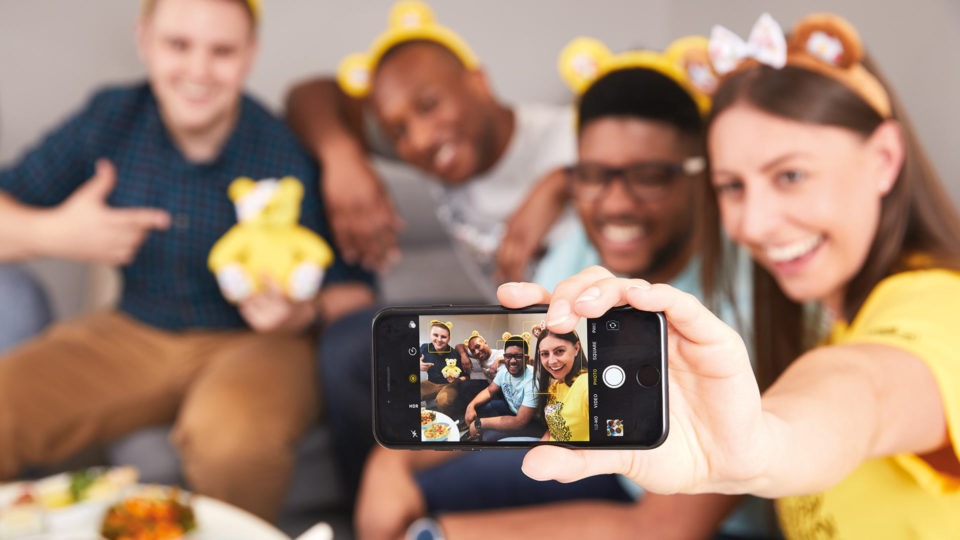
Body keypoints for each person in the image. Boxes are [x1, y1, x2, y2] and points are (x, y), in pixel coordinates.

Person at [507, 13, 960, 540]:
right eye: (732, 187)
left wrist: (762, 442)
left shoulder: (938, 306)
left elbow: (867, 392)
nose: (752, 223)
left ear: (884, 158)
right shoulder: (830, 317)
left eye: (790, 175)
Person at [353, 36, 775, 540]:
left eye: (648, 176)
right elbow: (526, 394)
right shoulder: (579, 253)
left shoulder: (745, 299)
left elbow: (663, 527)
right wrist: (391, 462)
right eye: (594, 176)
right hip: (598, 460)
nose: (616, 203)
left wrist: (438, 534)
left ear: (700, 176)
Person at [0, 0, 372, 522]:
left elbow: (360, 288)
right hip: (132, 331)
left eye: (222, 51)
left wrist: (303, 314)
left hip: (260, 345)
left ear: (250, 55)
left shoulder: (285, 150)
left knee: (232, 442)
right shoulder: (111, 118)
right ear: (144, 39)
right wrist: (54, 233)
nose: (198, 71)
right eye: (178, 45)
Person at [306, 0, 577, 499]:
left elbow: (657, 160)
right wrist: (342, 158)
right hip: (507, 340)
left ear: (479, 82)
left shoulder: (566, 137)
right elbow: (312, 94)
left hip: (578, 356)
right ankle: (356, 507)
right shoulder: (439, 154)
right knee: (349, 345)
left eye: (428, 106)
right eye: (398, 132)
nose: (421, 139)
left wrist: (564, 181)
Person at [463, 333, 541, 441]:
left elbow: (520, 422)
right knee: (481, 407)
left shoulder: (532, 383)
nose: (512, 361)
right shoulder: (504, 371)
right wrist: (470, 406)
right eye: (508, 356)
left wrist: (480, 423)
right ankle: (476, 432)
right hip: (512, 409)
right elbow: (490, 391)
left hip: (529, 421)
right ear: (504, 357)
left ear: (526, 358)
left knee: (488, 437)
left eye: (518, 356)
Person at [419, 320, 467, 416]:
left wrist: (456, 379)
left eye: (443, 337)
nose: (439, 339)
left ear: (449, 339)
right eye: (435, 335)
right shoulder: (424, 348)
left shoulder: (454, 354)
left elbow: (465, 376)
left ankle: (451, 422)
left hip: (449, 385)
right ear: (430, 335)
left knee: (443, 400)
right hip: (431, 383)